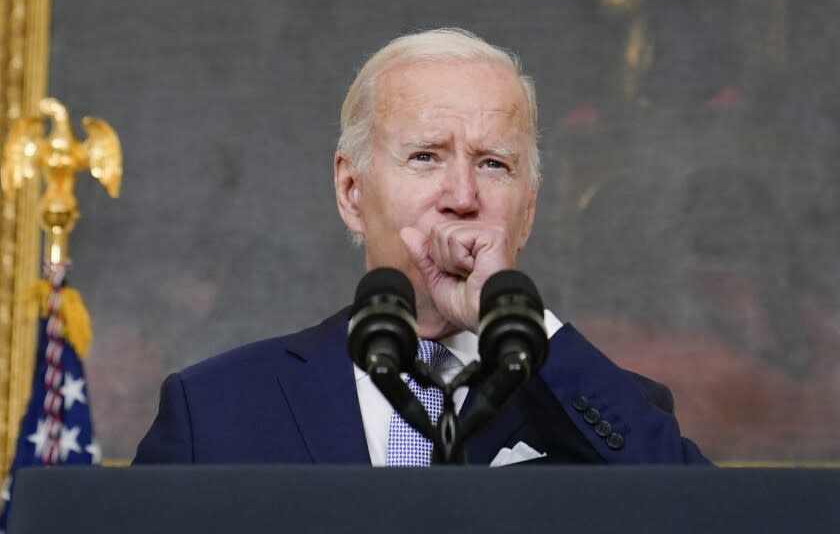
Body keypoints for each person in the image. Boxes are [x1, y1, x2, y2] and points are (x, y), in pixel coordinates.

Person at [134, 28, 708, 466]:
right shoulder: (213, 409)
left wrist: (521, 322)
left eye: (493, 164)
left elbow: (704, 516)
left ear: (527, 212)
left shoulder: (606, 405)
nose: (461, 196)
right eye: (425, 156)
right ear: (351, 190)